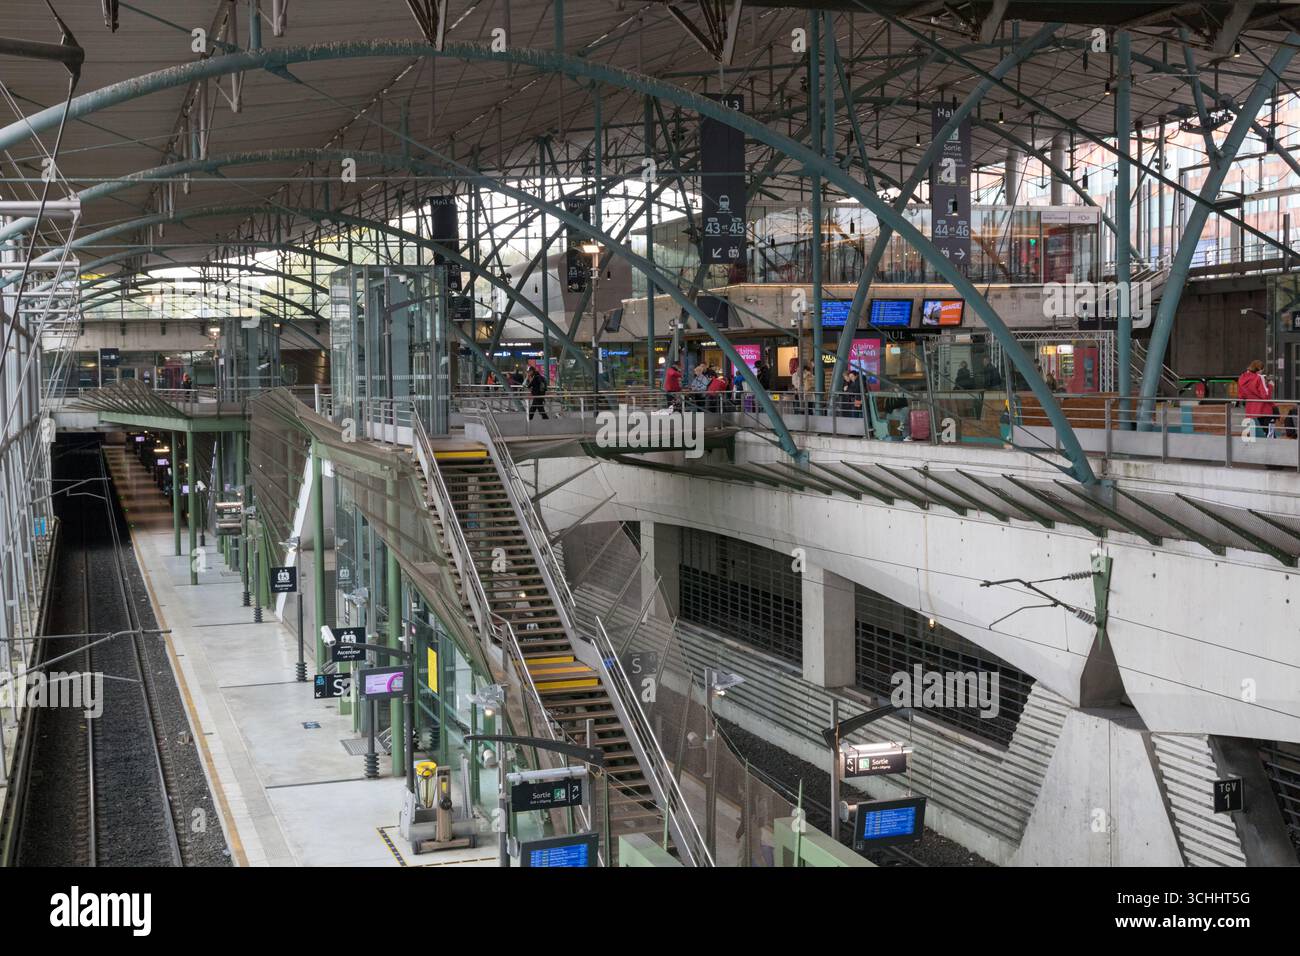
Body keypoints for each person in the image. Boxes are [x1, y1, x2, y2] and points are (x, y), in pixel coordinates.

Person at [1238, 359, 1275, 437]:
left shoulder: (1242, 377)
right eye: (1262, 370)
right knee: (1270, 436)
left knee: (1252, 437)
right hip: (1263, 410)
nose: (1262, 372)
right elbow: (1265, 395)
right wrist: (1271, 386)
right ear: (1259, 369)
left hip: (1250, 411)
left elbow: (1241, 396)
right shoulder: (1259, 378)